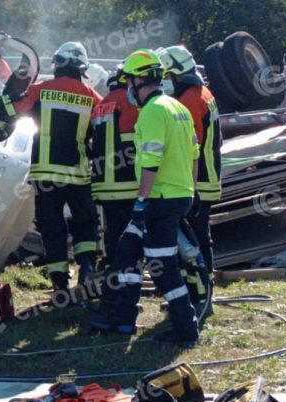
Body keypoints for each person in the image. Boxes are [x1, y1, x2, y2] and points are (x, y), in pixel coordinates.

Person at [88, 49, 200, 347]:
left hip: (158, 198)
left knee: (163, 267)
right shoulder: (178, 108)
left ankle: (185, 329)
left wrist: (140, 203)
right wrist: (190, 190)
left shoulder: (151, 111)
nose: (128, 89)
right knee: (126, 252)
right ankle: (122, 317)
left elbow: (151, 159)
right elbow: (194, 154)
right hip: (176, 195)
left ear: (138, 81)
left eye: (129, 82)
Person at [0, 41, 102, 300]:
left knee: (52, 228)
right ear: (82, 68)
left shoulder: (40, 90)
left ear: (57, 64)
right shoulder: (93, 97)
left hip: (46, 176)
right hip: (79, 174)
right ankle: (87, 269)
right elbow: (102, 134)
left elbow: (9, 110)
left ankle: (60, 283)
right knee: (85, 223)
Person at [156, 45, 222, 276]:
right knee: (200, 232)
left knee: (194, 234)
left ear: (176, 74)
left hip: (197, 180)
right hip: (207, 176)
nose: (163, 81)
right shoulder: (203, 92)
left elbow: (189, 147)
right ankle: (201, 286)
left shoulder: (188, 101)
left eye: (166, 76)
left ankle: (200, 288)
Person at [89, 67, 139, 311]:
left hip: (105, 187)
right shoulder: (131, 103)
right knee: (131, 242)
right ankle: (126, 294)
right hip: (129, 185)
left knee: (112, 238)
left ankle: (111, 290)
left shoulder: (101, 104)